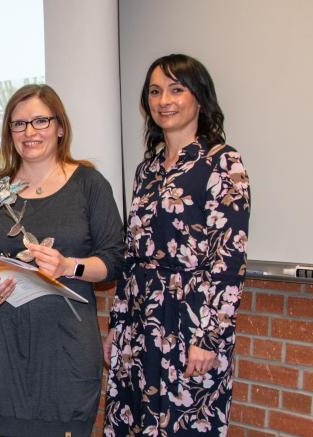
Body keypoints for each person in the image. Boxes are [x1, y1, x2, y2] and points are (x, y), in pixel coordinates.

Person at [104, 54, 250, 436]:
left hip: (190, 322)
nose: (163, 100)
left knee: (181, 425)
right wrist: (117, 327)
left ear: (199, 98)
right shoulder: (147, 169)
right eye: (155, 91)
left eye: (175, 89)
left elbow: (228, 262)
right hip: (139, 320)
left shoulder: (223, 163)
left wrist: (209, 339)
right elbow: (132, 254)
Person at [0, 84, 124, 437]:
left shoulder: (89, 184)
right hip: (7, 351)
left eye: (40, 120)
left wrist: (69, 266)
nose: (30, 132)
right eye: (19, 124)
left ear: (60, 126)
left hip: (66, 352)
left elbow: (113, 261)